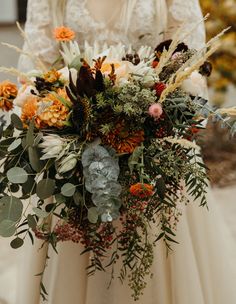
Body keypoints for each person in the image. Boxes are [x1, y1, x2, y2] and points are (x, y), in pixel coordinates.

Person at [16, 1, 236, 304]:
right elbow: (34, 72)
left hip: (156, 152)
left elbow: (190, 64)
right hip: (75, 156)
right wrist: (63, 117)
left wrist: (156, 116)